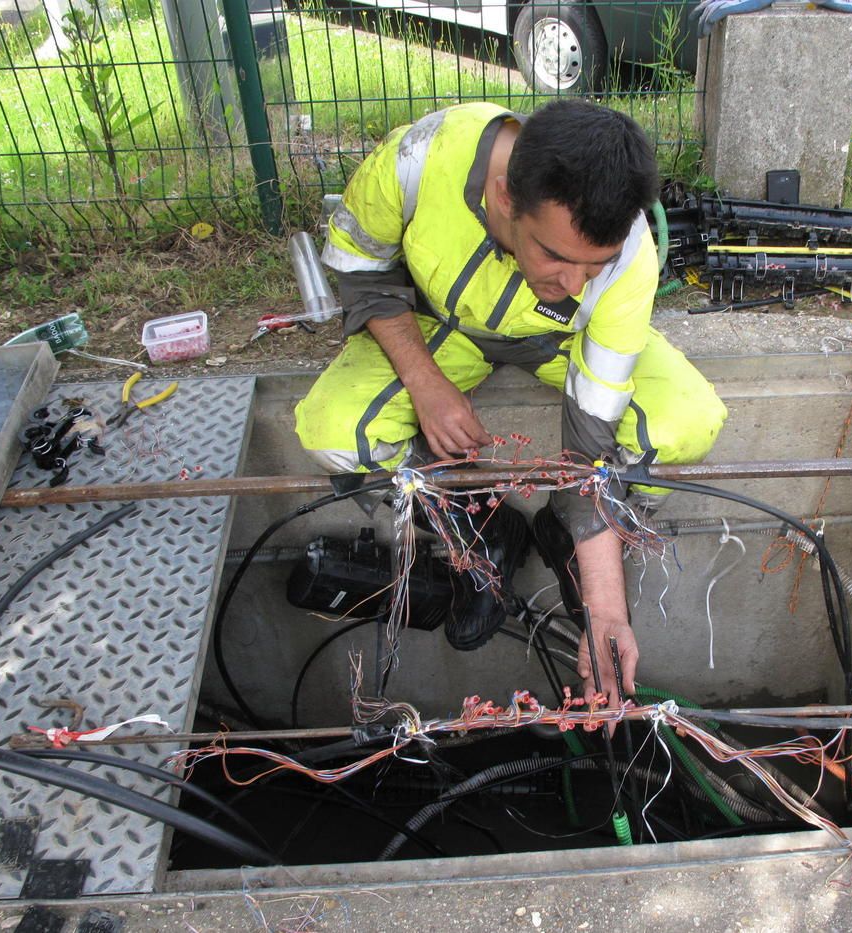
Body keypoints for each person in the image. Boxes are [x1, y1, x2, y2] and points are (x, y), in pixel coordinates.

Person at [294, 99, 727, 703]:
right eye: (554, 255)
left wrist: (604, 610)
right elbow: (362, 270)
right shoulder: (419, 161)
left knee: (689, 421)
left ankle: (569, 527)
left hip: (562, 344)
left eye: (592, 266)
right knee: (335, 432)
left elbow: (592, 437)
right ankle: (483, 528)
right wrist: (425, 383)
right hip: (441, 331)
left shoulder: (628, 261)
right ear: (504, 198)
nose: (574, 285)